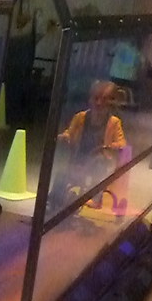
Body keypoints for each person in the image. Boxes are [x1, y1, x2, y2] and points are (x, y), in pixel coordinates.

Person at [52, 80, 127, 211]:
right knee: (61, 175)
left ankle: (96, 199)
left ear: (111, 103)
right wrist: (65, 137)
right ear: (90, 99)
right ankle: (54, 200)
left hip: (100, 160)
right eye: (96, 98)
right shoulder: (80, 117)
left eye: (104, 100)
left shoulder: (114, 122)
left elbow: (122, 143)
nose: (99, 103)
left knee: (99, 164)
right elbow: (70, 132)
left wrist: (109, 146)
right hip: (79, 159)